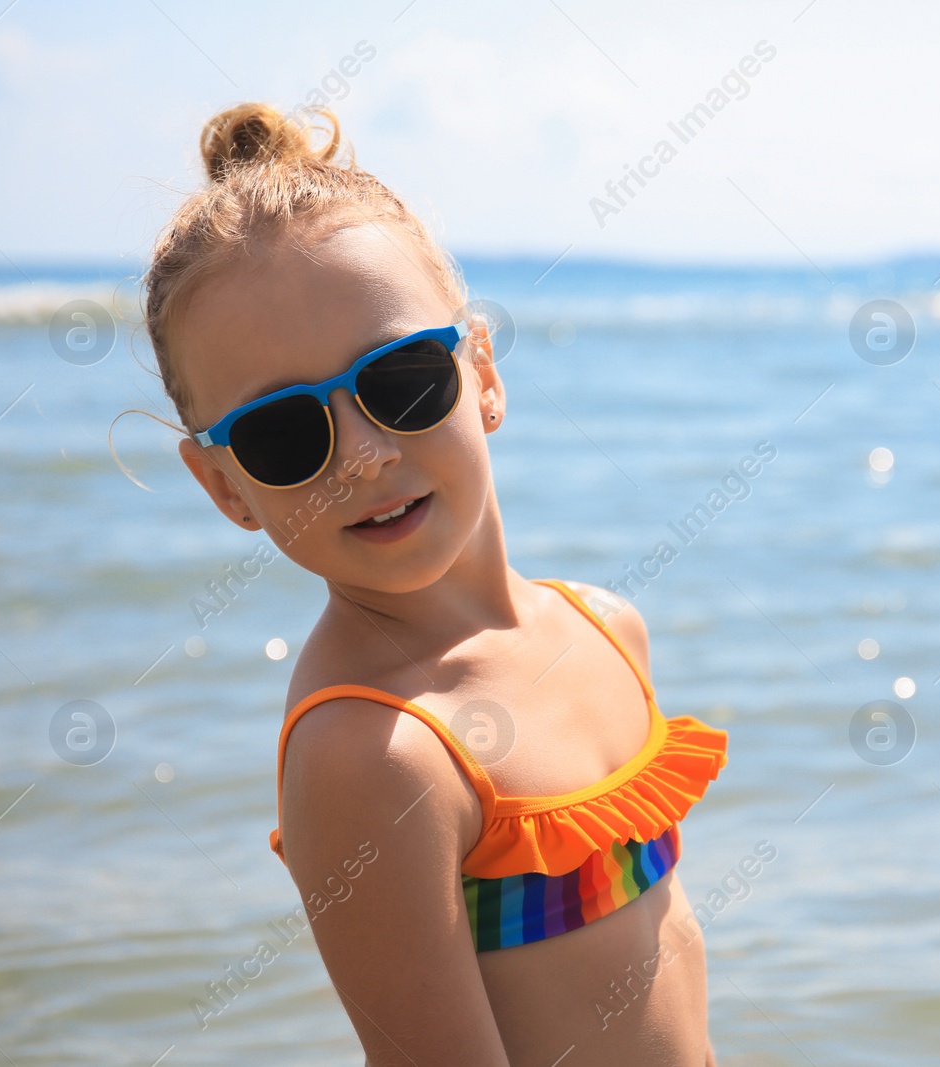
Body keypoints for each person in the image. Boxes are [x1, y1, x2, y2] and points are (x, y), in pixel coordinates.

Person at [142, 101, 730, 1065]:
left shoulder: (605, 629)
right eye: (286, 433)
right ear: (225, 485)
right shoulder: (373, 754)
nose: (366, 455)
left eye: (402, 379)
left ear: (483, 372)